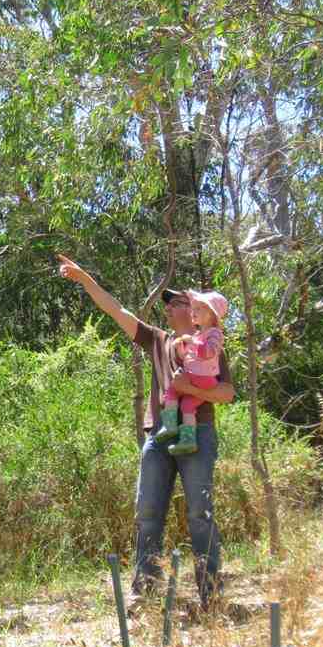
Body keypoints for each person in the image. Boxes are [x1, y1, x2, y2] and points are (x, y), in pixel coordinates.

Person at [57, 255, 235, 608]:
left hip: (198, 432)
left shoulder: (210, 345)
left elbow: (227, 393)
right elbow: (116, 310)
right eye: (167, 304)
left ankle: (210, 597)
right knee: (148, 511)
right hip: (158, 436)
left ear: (196, 310)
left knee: (200, 513)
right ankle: (146, 594)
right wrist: (85, 279)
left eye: (177, 302)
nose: (168, 308)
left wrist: (191, 389)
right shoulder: (156, 340)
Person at [156, 290, 228, 456]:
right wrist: (182, 348)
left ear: (212, 315)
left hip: (203, 379)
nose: (193, 313)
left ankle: (170, 426)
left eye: (198, 310)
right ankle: (188, 441)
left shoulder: (214, 333)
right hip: (198, 378)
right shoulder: (199, 334)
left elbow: (208, 353)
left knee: (172, 391)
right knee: (187, 405)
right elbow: (191, 357)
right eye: (193, 309)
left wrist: (192, 341)